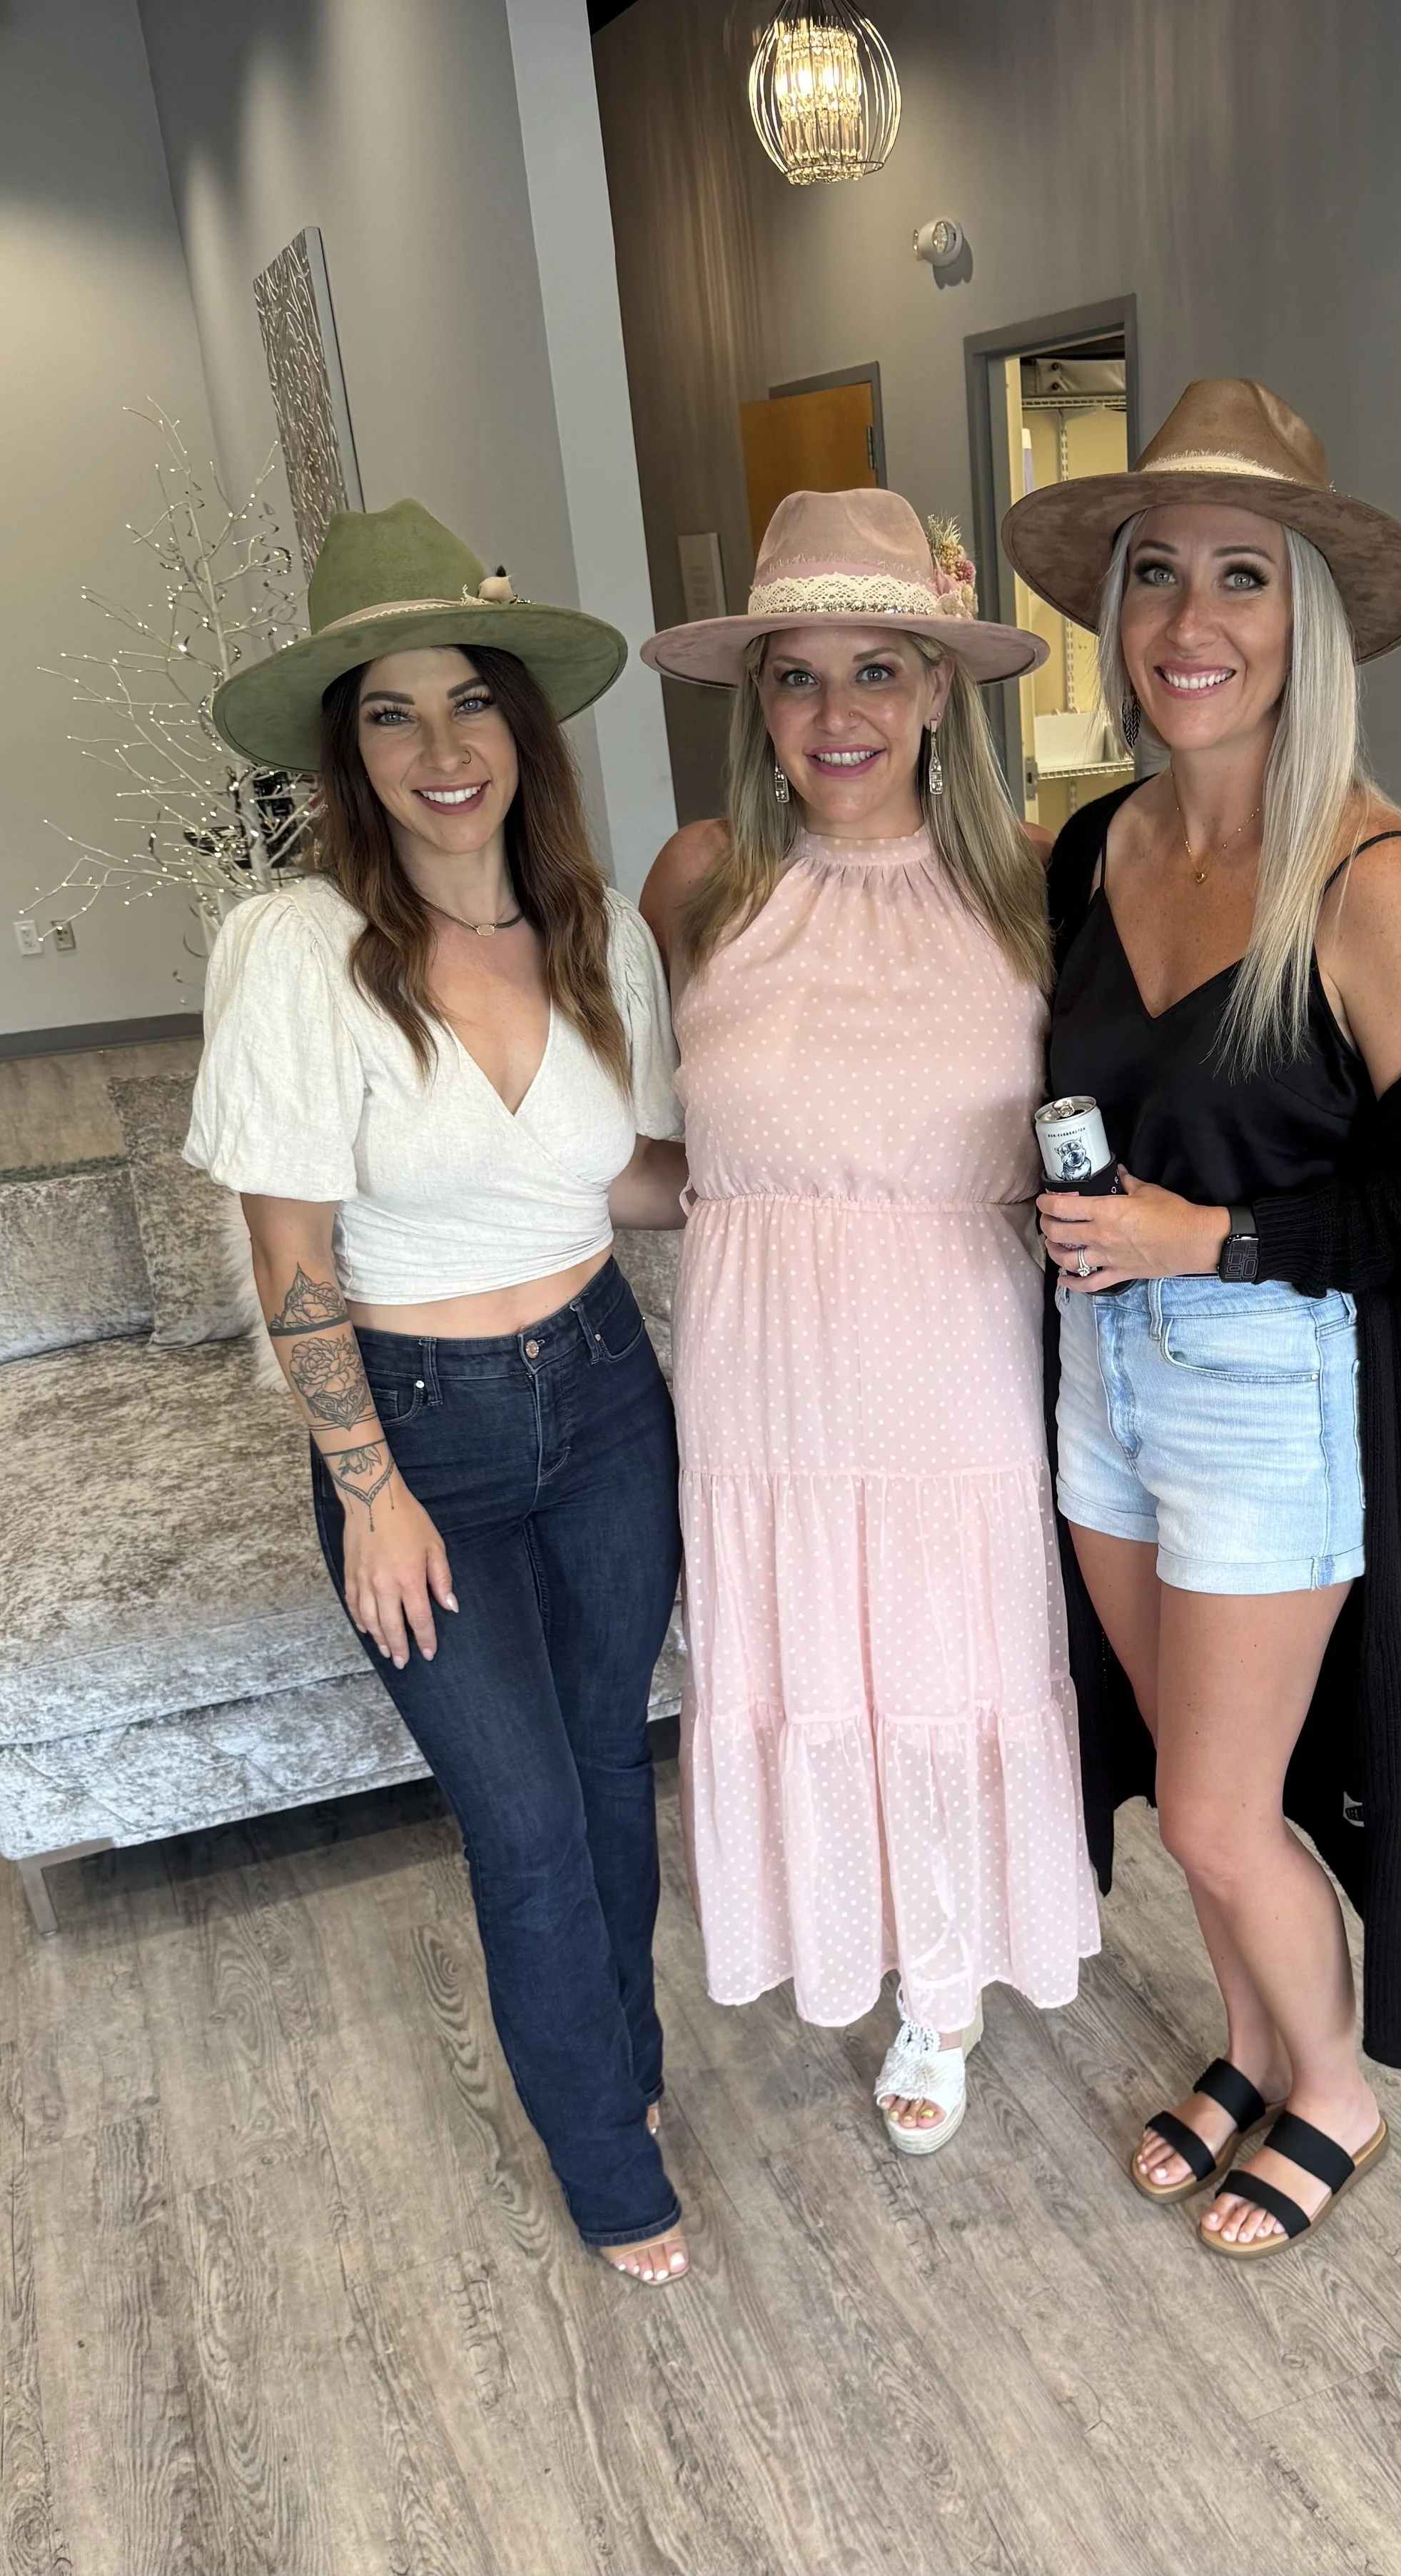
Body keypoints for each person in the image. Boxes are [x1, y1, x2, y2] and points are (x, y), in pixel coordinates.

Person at [1001, 379, 1401, 2256]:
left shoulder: (1363, 876)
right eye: (1154, 576)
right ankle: (1243, 2037)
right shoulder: (1091, 845)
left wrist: (1206, 1238)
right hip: (1096, 1379)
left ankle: (1334, 2092)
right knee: (1173, 1788)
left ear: (1302, 616)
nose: (1188, 624)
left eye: (1240, 577)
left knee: (1225, 1815)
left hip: (1258, 1386)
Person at [186, 502, 692, 2285]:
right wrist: (369, 1481)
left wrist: (777, 1180)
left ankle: (624, 2075)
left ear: (520, 729)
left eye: (466, 702)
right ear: (348, 748)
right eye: (389, 714)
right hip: (423, 1435)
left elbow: (612, 1178)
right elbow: (290, 1250)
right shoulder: (297, 952)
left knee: (611, 1780)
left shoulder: (590, 930)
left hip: (610, 1402)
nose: (439, 748)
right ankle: (604, 2159)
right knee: (527, 1818)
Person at [639, 489, 1100, 2152]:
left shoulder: (1036, 885)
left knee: (948, 1658)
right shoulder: (696, 880)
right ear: (755, 702)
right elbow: (694, 1153)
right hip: (759, 1364)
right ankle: (847, 1929)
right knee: (798, 1657)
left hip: (955, 1353)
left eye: (878, 671)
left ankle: (946, 1977)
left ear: (935, 693)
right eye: (797, 677)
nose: (837, 717)